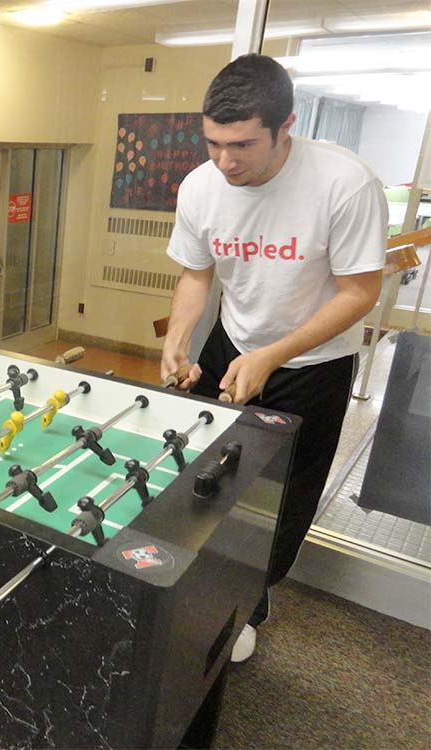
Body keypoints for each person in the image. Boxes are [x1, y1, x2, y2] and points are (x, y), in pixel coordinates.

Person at [160, 55, 386, 662]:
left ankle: (246, 604)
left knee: (283, 499)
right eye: (212, 143)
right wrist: (177, 338)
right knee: (198, 471)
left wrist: (274, 356)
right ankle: (185, 585)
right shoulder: (201, 186)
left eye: (242, 145)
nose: (225, 161)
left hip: (313, 365)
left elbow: (362, 292)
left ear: (286, 127)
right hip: (230, 342)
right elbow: (195, 274)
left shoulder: (345, 183)